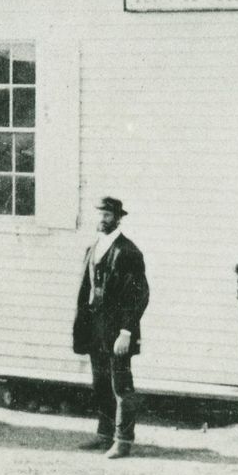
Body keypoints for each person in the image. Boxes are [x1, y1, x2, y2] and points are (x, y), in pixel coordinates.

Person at [72, 196, 150, 457]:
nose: (102, 219)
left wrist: (126, 332)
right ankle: (104, 435)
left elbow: (139, 296)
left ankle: (123, 441)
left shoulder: (129, 252)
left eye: (107, 215)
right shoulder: (93, 248)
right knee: (101, 383)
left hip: (118, 332)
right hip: (96, 329)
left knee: (121, 386)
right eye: (100, 215)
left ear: (118, 218)